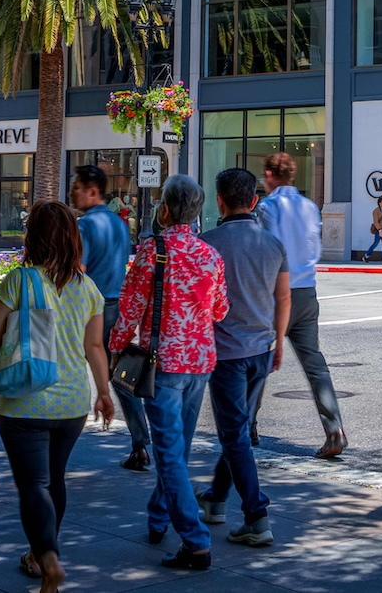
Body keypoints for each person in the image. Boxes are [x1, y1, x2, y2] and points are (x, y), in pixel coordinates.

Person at [0, 201, 113, 593]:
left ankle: (47, 560)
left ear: (33, 237)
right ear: (72, 238)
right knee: (55, 480)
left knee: (33, 484)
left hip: (25, 401)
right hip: (71, 404)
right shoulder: (88, 288)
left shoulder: (20, 280)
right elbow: (95, 347)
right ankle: (40, 555)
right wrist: (103, 392)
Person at [111, 176, 228, 572]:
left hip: (162, 365)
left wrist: (115, 351)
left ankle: (195, 542)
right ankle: (159, 514)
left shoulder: (152, 250)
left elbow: (130, 308)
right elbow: (220, 310)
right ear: (196, 213)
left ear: (164, 211)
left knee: (170, 456)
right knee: (174, 452)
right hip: (200, 363)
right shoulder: (210, 254)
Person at [196, 167, 290, 547]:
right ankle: (216, 500)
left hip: (226, 353)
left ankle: (256, 515)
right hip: (262, 349)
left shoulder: (207, 243)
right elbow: (283, 297)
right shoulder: (273, 244)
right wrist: (279, 341)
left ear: (219, 200)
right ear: (255, 200)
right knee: (238, 430)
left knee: (235, 433)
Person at [257, 152, 346, 458]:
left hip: (276, 293)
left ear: (270, 175)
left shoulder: (267, 207)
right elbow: (315, 247)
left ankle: (246, 425)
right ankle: (334, 427)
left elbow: (265, 251)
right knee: (315, 365)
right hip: (307, 290)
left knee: (259, 360)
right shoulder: (310, 207)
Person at [70, 164, 151, 472]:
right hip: (117, 307)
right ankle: (139, 442)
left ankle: (59, 430)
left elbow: (80, 268)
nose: (73, 193)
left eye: (77, 188)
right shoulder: (119, 224)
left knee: (77, 367)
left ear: (92, 191)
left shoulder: (85, 225)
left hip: (92, 308)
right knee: (118, 377)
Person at [367, 195, 382, 263]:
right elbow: (375, 221)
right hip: (379, 230)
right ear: (380, 203)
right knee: (376, 243)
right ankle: (366, 256)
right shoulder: (376, 211)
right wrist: (380, 230)